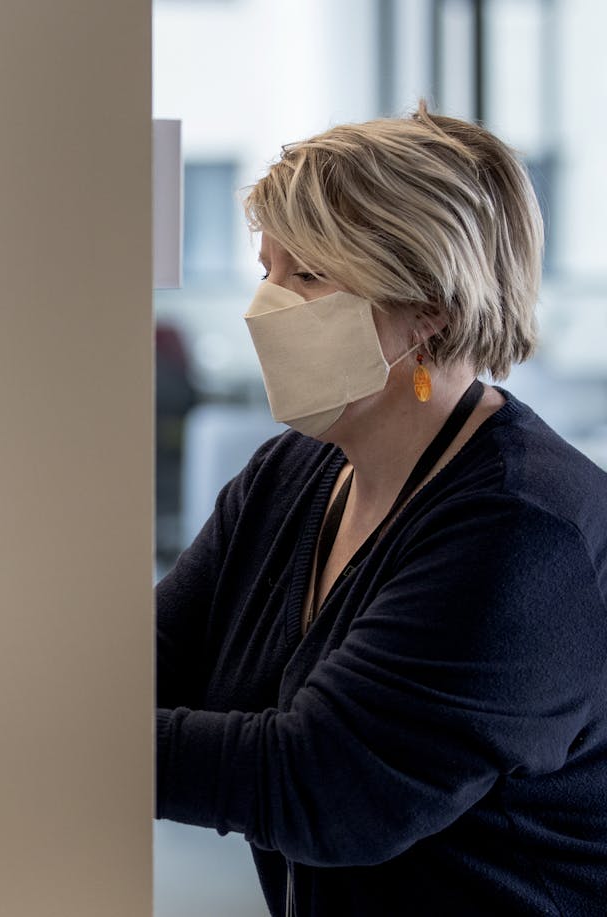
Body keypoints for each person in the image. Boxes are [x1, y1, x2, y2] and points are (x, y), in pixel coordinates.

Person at [156, 103, 607, 916]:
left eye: (308, 277)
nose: (266, 305)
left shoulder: (526, 535)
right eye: (267, 269)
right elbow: (152, 661)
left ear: (429, 307)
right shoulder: (291, 473)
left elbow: (324, 785)